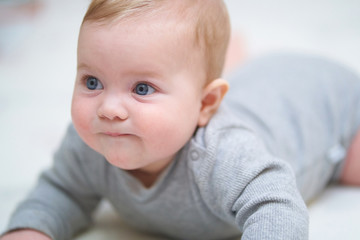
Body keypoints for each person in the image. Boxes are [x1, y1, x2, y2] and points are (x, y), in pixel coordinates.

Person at [1, 0, 360, 239]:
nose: (108, 108)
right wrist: (30, 230)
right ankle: (234, 58)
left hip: (330, 106)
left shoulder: (223, 154)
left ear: (206, 105)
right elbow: (62, 191)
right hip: (260, 83)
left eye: (142, 88)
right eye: (92, 82)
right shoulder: (88, 144)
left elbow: (277, 205)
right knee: (194, 67)